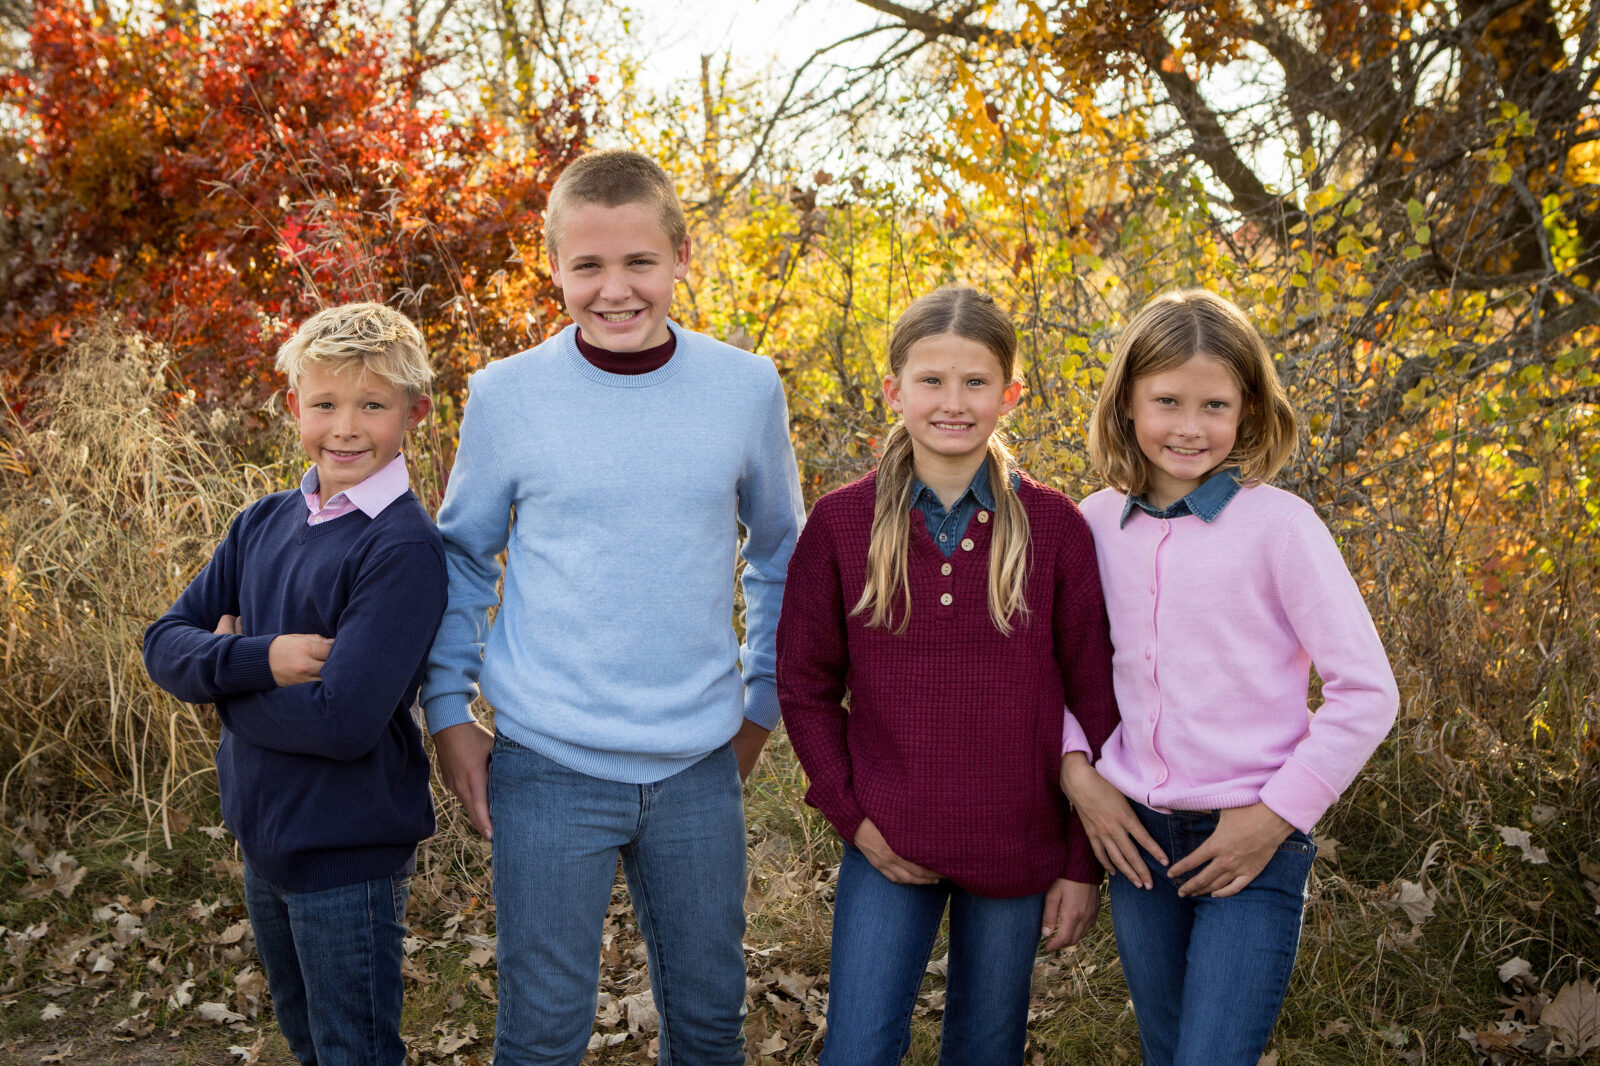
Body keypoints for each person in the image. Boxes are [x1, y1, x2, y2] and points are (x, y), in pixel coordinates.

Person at [420, 148, 805, 1066]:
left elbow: (780, 554)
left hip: (700, 763)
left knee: (710, 1024)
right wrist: (446, 711)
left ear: (681, 257)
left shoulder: (746, 388)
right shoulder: (506, 395)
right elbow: (464, 558)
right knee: (544, 1031)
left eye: (638, 262)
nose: (615, 289)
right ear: (553, 268)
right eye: (587, 265)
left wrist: (762, 703)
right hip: (548, 763)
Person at [777, 285, 1119, 1065]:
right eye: (931, 381)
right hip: (887, 840)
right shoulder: (840, 523)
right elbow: (804, 687)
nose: (953, 402)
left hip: (1018, 844)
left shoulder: (1056, 528)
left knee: (986, 1047)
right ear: (894, 391)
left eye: (975, 383)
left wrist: (1079, 862)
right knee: (858, 1047)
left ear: (1010, 395)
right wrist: (853, 818)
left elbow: (1094, 700)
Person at [1059, 287, 1400, 1065]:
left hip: (1252, 836)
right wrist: (1081, 774)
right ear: (1127, 406)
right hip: (1136, 837)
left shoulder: (1280, 527)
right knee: (1169, 1049)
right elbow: (1056, 670)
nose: (1189, 426)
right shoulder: (1091, 525)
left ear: (1248, 409)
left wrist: (1276, 815)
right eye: (1166, 401)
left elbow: (1366, 692)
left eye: (1214, 404)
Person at [142, 302, 446, 1066]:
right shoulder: (261, 523)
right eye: (325, 404)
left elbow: (343, 722)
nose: (346, 427)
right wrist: (260, 660)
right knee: (309, 1044)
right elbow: (161, 643)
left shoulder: (402, 547)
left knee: (354, 1051)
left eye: (372, 405)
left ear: (416, 412)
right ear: (293, 407)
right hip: (264, 840)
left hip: (348, 855)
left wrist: (220, 690)